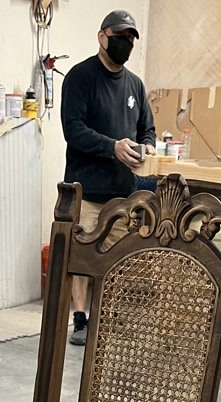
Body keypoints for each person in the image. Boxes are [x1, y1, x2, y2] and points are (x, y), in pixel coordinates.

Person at [60, 9, 156, 346]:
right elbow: (73, 130)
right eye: (119, 36)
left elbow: (147, 129)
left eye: (130, 37)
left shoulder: (135, 85)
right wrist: (112, 147)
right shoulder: (80, 77)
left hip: (122, 193)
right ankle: (80, 320)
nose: (125, 42)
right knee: (83, 259)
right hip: (86, 189)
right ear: (102, 36)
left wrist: (147, 146)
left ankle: (107, 317)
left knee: (118, 260)